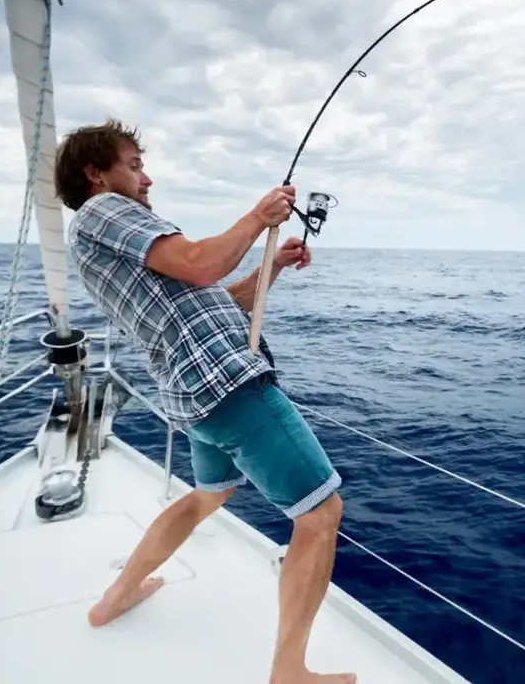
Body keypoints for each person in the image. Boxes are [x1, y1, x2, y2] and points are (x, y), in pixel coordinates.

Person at [55, 118, 355, 684]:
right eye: (134, 165)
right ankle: (289, 671)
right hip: (227, 386)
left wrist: (275, 262)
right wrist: (256, 216)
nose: (147, 178)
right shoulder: (103, 212)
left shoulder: (117, 239)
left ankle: (115, 598)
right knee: (321, 513)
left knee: (205, 498)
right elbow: (200, 262)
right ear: (96, 175)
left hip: (193, 396)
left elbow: (219, 299)